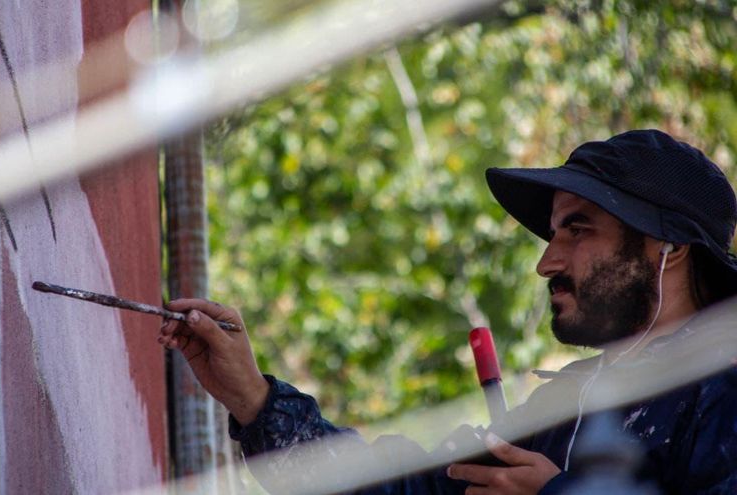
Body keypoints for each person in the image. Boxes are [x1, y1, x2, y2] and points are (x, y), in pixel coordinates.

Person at [158, 129, 737, 494]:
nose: (547, 263)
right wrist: (254, 400)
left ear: (671, 246)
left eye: (578, 229)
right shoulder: (569, 406)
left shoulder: (723, 391)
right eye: (553, 232)